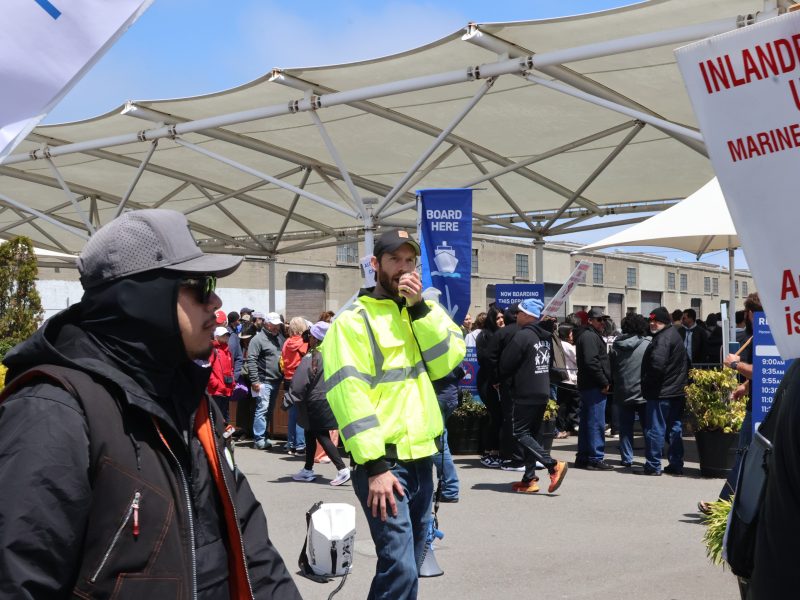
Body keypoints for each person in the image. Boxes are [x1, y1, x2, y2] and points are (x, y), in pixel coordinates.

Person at [0, 209, 301, 599]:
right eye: (201, 286)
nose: (215, 301)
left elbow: (251, 546)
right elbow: (18, 581)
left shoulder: (191, 400)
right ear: (141, 299)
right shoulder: (53, 409)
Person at [322, 229, 465, 600]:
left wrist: (419, 310)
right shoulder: (352, 321)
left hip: (421, 459)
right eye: (394, 259)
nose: (403, 268)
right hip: (385, 464)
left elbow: (448, 360)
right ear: (375, 264)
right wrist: (375, 466)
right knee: (399, 565)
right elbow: (349, 396)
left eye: (409, 261)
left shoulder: (422, 311)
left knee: (411, 562)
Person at [498, 298, 568, 494]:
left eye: (519, 313)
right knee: (532, 434)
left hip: (525, 390)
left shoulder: (523, 336)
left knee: (520, 432)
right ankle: (529, 479)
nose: (516, 316)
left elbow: (506, 363)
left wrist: (503, 379)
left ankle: (552, 465)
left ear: (527, 315)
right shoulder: (545, 336)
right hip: (542, 388)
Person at [290, 321, 351, 486]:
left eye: (311, 336)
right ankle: (307, 469)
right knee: (310, 433)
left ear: (316, 338)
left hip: (315, 399)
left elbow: (300, 381)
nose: (309, 339)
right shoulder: (335, 353)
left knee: (321, 434)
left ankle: (342, 468)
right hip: (329, 397)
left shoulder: (313, 355)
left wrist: (289, 398)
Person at [641, 306, 689, 476]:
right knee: (674, 428)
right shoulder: (673, 335)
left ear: (665, 322)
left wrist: (647, 382)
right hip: (675, 390)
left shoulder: (663, 338)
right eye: (651, 320)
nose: (653, 323)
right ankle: (676, 463)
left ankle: (653, 465)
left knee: (656, 428)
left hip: (661, 391)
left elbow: (657, 365)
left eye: (657, 321)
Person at [574, 308, 613, 470]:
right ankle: (595, 458)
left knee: (588, 422)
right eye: (599, 319)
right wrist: (603, 382)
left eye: (604, 320)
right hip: (594, 386)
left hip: (590, 385)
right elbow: (592, 362)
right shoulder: (589, 336)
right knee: (595, 423)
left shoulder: (589, 335)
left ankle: (584, 457)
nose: (602, 323)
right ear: (590, 320)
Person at [609, 314, 651, 468]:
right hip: (644, 392)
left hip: (623, 390)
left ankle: (627, 458)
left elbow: (612, 368)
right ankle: (651, 457)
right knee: (648, 427)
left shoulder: (616, 345)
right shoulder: (648, 343)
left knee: (625, 428)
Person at [246, 312, 285, 450]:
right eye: (274, 325)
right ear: (267, 324)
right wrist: (255, 381)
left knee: (268, 410)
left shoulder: (279, 338)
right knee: (262, 409)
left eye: (278, 325)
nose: (276, 327)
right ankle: (259, 439)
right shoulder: (257, 339)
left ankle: (263, 436)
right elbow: (251, 360)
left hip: (276, 380)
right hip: (263, 381)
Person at [476, 304, 504, 467]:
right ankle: (489, 451)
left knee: (499, 416)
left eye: (502, 317)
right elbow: (485, 360)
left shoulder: (502, 334)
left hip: (497, 381)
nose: (501, 320)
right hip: (488, 382)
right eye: (497, 318)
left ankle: (496, 450)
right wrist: (495, 380)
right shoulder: (484, 336)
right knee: (495, 416)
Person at [281, 316, 309, 455]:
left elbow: (282, 360)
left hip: (287, 379)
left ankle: (290, 444)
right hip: (300, 380)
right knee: (301, 414)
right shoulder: (304, 343)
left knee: (292, 414)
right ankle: (300, 445)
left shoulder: (286, 343)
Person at [555, 323, 580, 437]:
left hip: (564, 378)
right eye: (570, 333)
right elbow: (576, 358)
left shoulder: (559, 344)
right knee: (570, 405)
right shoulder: (567, 345)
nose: (572, 335)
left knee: (564, 404)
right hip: (570, 378)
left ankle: (564, 427)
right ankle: (568, 427)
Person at [208, 325, 236, 422]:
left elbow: (231, 369)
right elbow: (208, 370)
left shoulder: (228, 351)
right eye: (223, 335)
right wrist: (216, 384)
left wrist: (233, 382)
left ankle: (225, 432)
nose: (226, 337)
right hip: (216, 391)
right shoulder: (212, 350)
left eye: (227, 335)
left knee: (225, 418)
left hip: (227, 390)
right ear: (216, 336)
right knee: (216, 419)